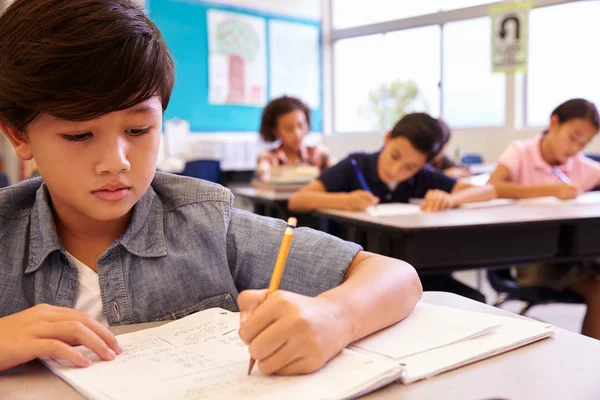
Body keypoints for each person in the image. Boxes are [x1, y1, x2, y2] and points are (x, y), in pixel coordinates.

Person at [0, 0, 422, 374]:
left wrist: (335, 317)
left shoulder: (205, 222)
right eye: (79, 136)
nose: (117, 162)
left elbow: (396, 275)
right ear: (19, 136)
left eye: (138, 128)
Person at [488, 98, 600, 339]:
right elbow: (493, 187)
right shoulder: (520, 152)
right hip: (532, 258)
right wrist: (550, 190)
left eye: (584, 143)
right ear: (554, 123)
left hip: (571, 255)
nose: (576, 148)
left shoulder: (580, 165)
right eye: (573, 137)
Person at [289, 113, 496, 213]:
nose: (397, 171)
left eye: (410, 167)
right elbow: (298, 200)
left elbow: (487, 191)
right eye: (395, 156)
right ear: (387, 138)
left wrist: (451, 199)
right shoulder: (356, 165)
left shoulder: (423, 176)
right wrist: (346, 201)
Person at [255, 96, 334, 181]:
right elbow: (263, 176)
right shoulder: (268, 157)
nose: (297, 134)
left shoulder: (319, 153)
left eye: (301, 125)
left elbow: (339, 173)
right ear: (276, 131)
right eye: (289, 128)